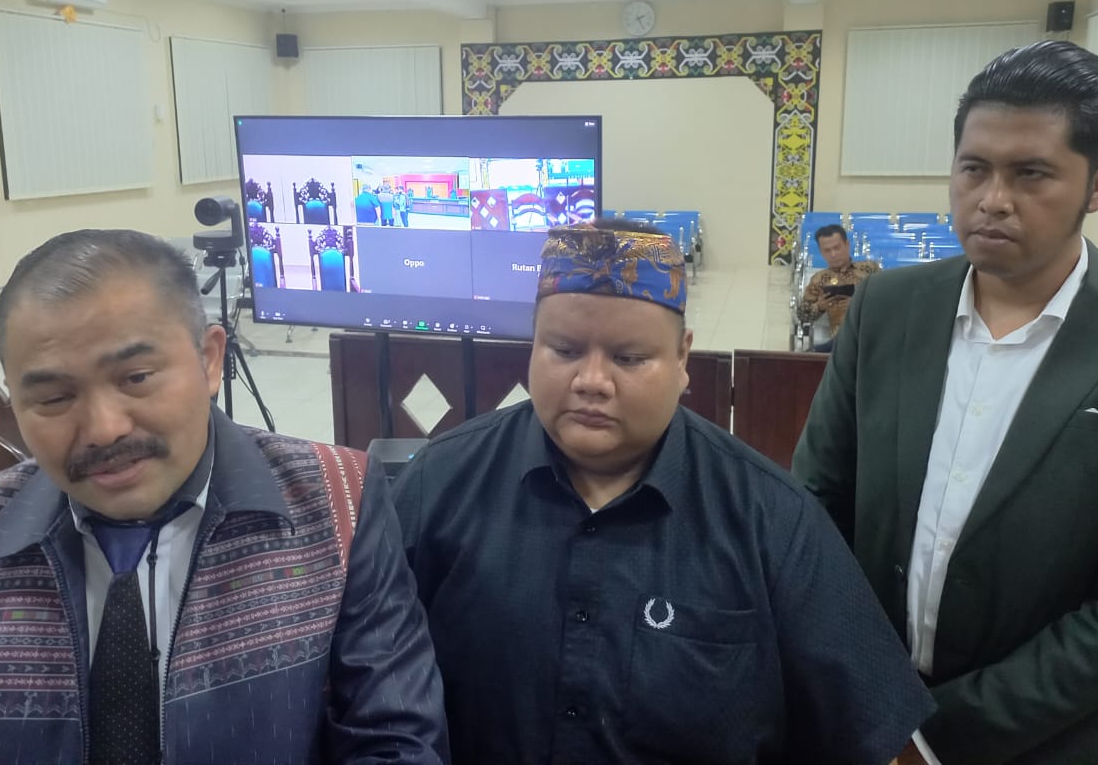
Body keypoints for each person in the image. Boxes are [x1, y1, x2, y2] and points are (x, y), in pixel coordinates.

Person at [0, 229, 448, 765]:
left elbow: (395, 737)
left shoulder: (337, 501)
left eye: (136, 377)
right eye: (55, 398)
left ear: (209, 360)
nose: (104, 429)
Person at [391, 219, 934, 765]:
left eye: (628, 358)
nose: (591, 381)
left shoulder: (770, 519)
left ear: (682, 358)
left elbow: (869, 739)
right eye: (564, 350)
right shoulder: (438, 486)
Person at [792, 40, 1098, 765]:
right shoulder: (886, 308)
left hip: (1062, 736)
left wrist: (930, 735)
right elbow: (816, 505)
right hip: (868, 711)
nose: (993, 199)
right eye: (974, 168)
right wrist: (861, 694)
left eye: (1032, 174)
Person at [797, 224, 879, 351]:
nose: (833, 254)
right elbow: (802, 315)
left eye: (837, 248)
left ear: (847, 245)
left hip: (872, 334)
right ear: (821, 252)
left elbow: (888, 299)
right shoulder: (820, 279)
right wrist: (819, 307)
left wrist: (859, 304)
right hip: (841, 341)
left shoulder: (869, 269)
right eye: (827, 250)